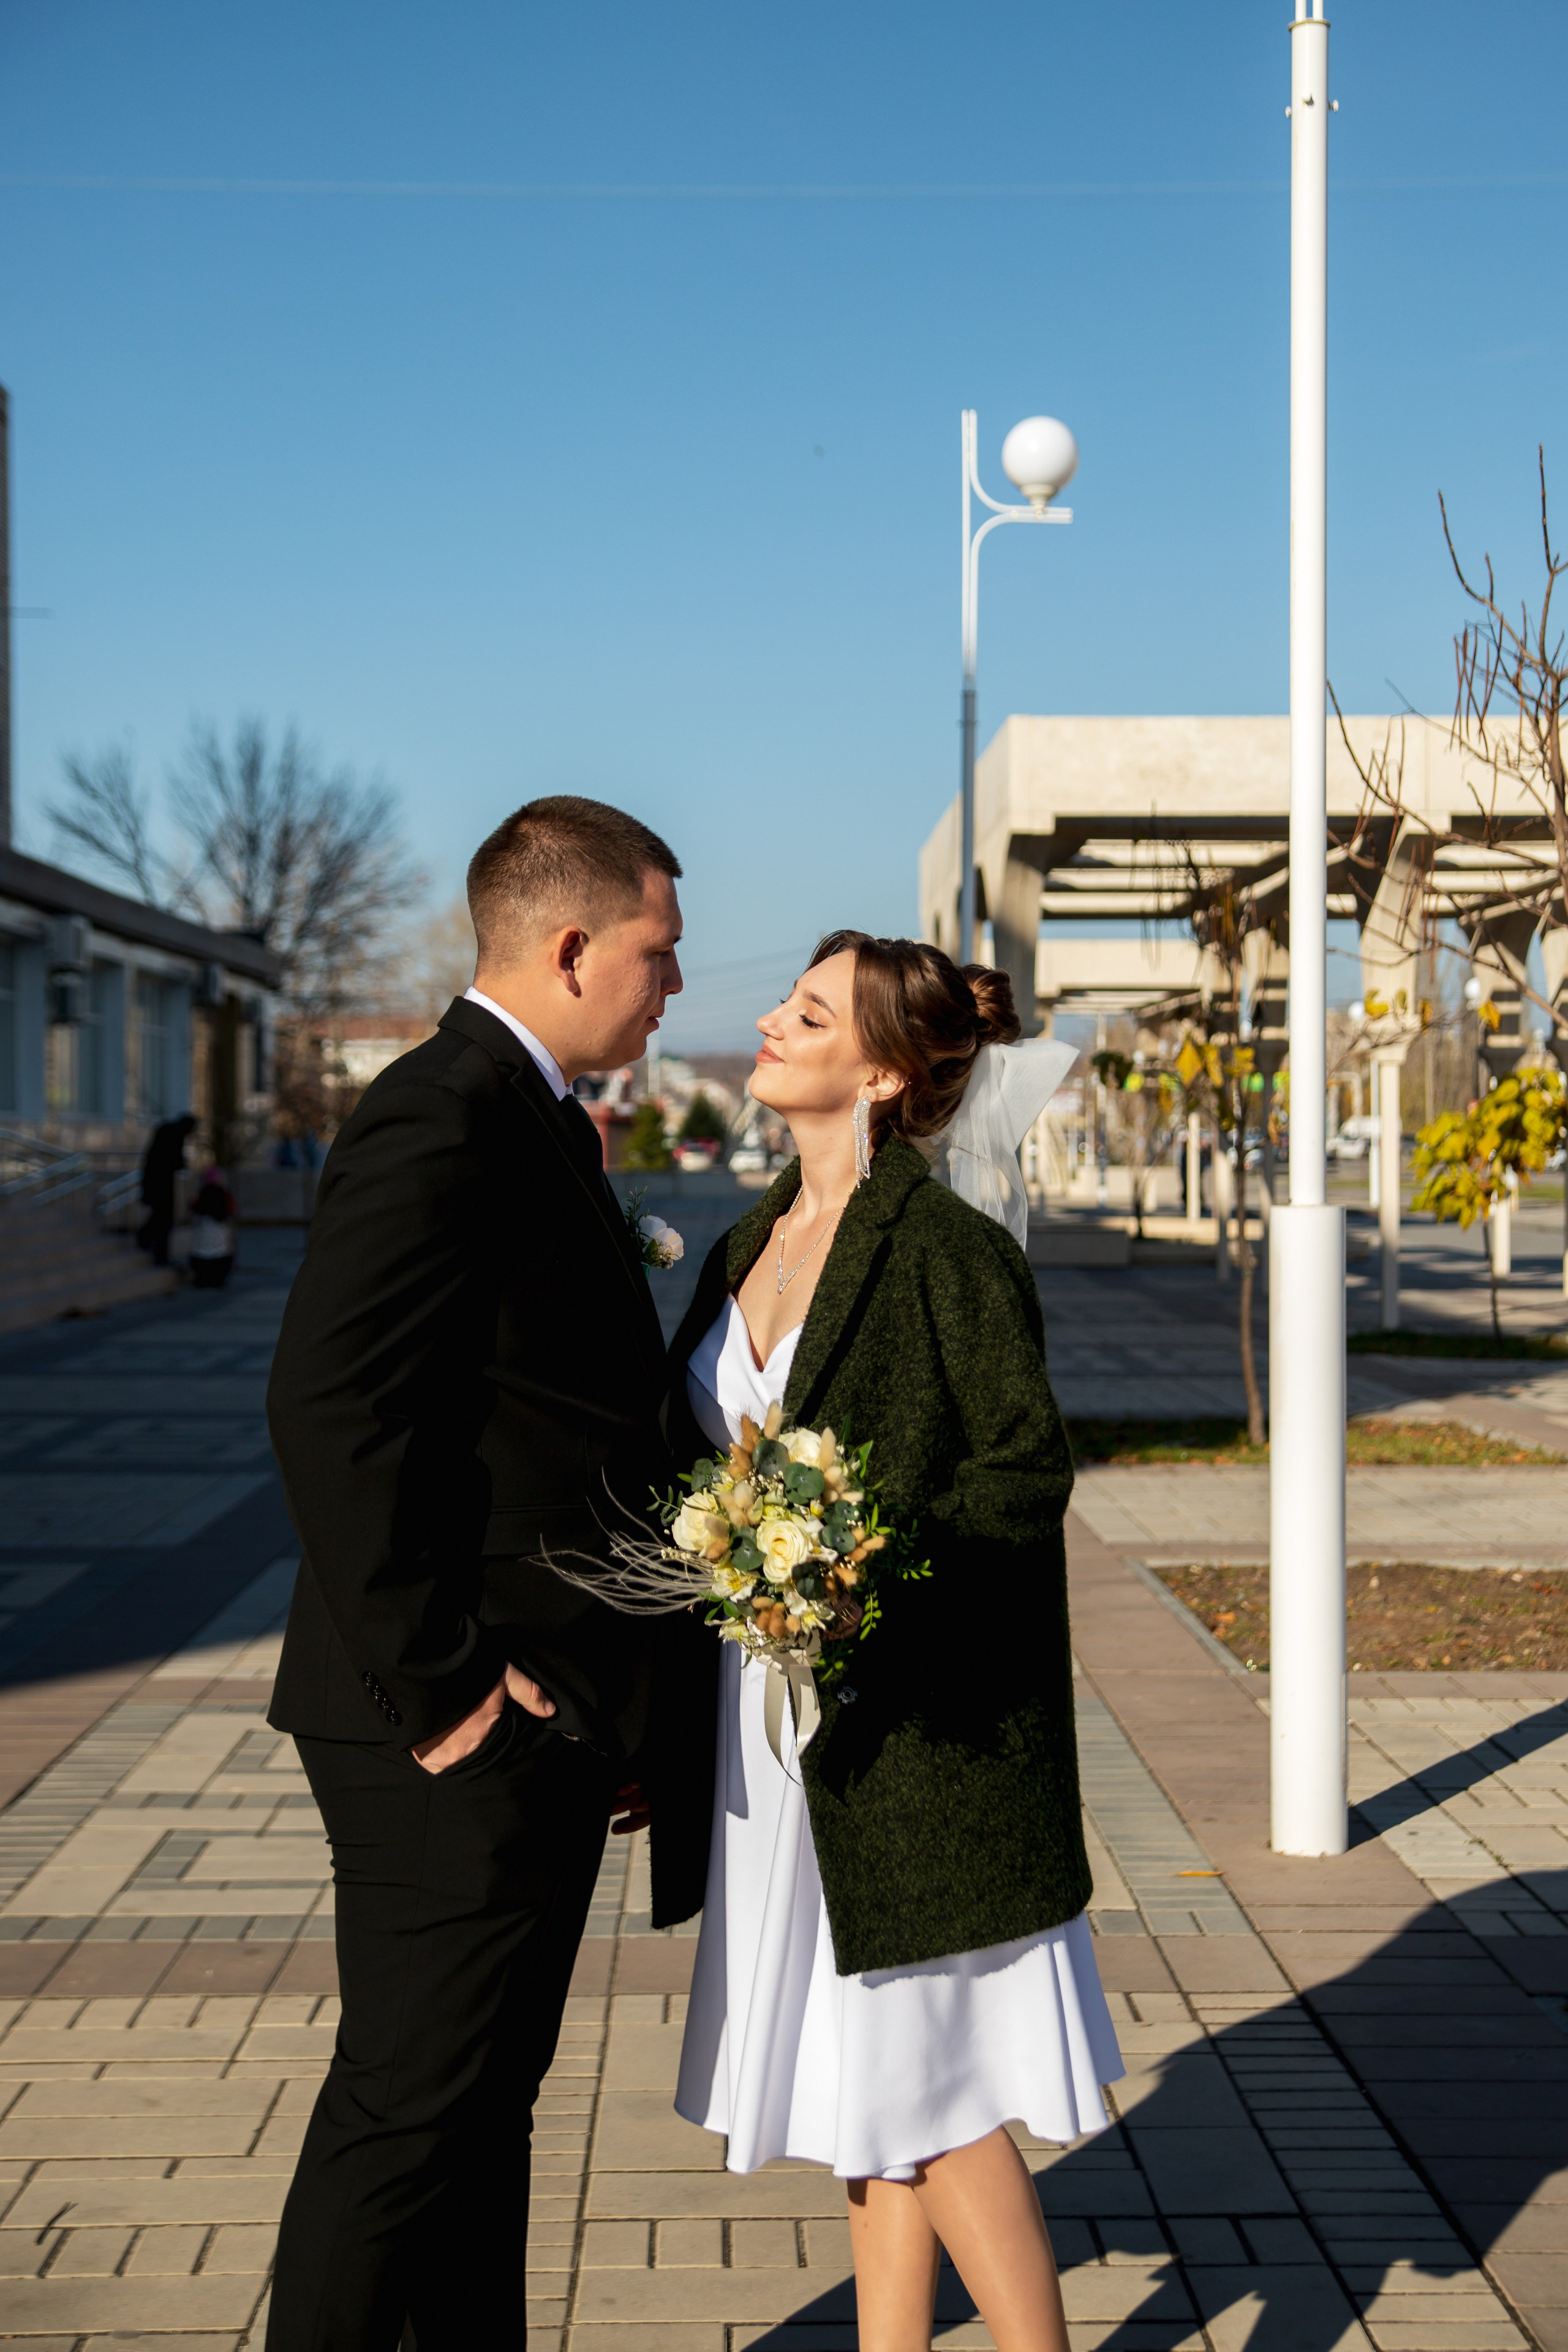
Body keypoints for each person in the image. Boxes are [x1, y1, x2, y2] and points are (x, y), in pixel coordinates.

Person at [264, 796, 716, 2352]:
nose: (675, 981)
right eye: (658, 949)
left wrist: (625, 1692)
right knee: (408, 2111)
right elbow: (331, 1402)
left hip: (545, 1703)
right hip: (451, 1719)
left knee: (479, 2110)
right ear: (570, 939)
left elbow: (540, 1423)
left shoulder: (524, 1112)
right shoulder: (439, 1109)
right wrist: (445, 1681)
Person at [666, 932, 1123, 2352]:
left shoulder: (945, 1250)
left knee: (929, 2103)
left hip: (906, 1737)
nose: (765, 1019)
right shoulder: (749, 1234)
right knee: (868, 2107)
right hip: (771, 1724)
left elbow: (1019, 1471)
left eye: (804, 1011)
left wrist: (864, 1582)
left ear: (876, 1071)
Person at [138, 1112, 196, 1267]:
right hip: (161, 1185)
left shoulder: (167, 1132)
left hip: (157, 1183)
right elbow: (176, 1161)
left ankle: (148, 1241)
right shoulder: (174, 1135)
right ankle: (157, 1250)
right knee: (164, 1219)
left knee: (160, 1217)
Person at [188, 1167, 236, 1289]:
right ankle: (217, 1279)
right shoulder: (224, 1195)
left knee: (202, 1254)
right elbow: (231, 1209)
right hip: (219, 1234)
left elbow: (194, 1208)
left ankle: (203, 1279)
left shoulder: (202, 1195)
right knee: (221, 1254)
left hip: (203, 1234)